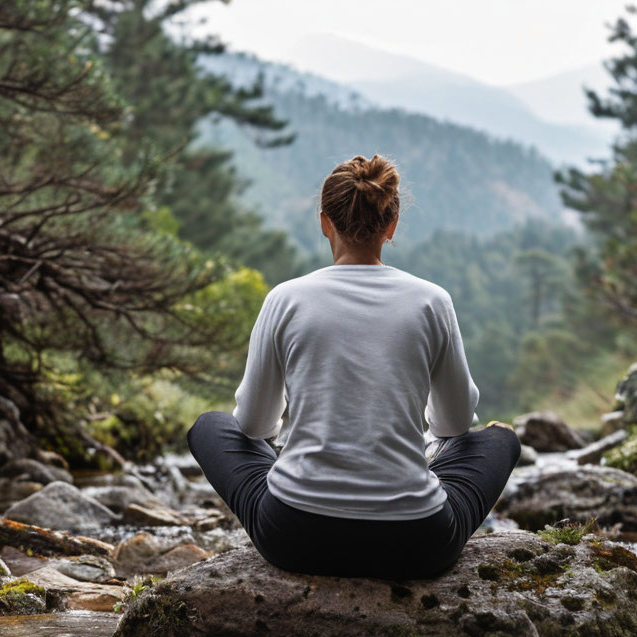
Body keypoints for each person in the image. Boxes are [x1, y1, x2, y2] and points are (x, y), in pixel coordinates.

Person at [187, 154, 521, 579]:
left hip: (294, 536)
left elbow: (253, 426)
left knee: (210, 426)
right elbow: (454, 425)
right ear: (392, 224)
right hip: (416, 544)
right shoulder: (432, 301)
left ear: (325, 222)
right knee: (499, 439)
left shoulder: (286, 299)